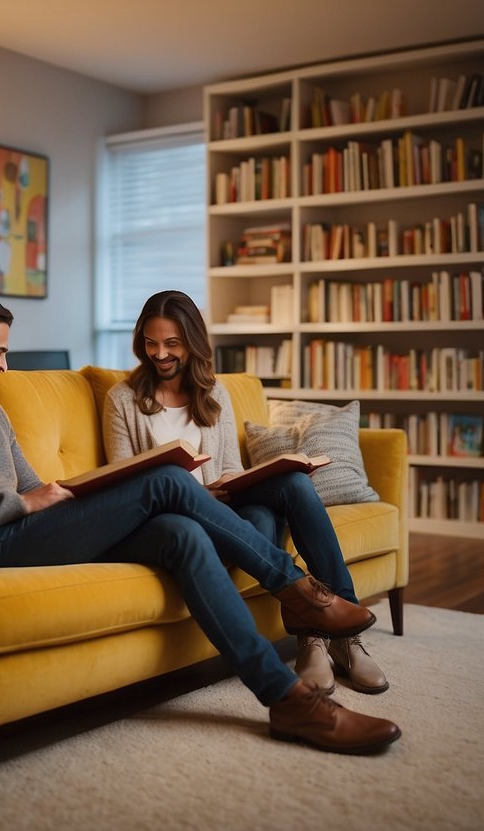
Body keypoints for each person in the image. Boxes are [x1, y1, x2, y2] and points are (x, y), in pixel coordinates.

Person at [0, 289, 400, 754]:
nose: (4, 364)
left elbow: (30, 485)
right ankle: (299, 590)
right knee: (166, 481)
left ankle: (288, 701)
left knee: (183, 532)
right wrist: (24, 505)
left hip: (27, 529)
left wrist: (79, 497)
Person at [102, 290, 390, 695]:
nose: (160, 354)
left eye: (172, 344)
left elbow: (232, 467)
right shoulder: (122, 400)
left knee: (292, 483)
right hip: (178, 518)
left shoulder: (214, 393)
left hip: (224, 505)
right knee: (261, 521)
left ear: (193, 342)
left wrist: (229, 484)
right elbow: (125, 484)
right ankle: (318, 628)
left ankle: (337, 637)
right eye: (151, 343)